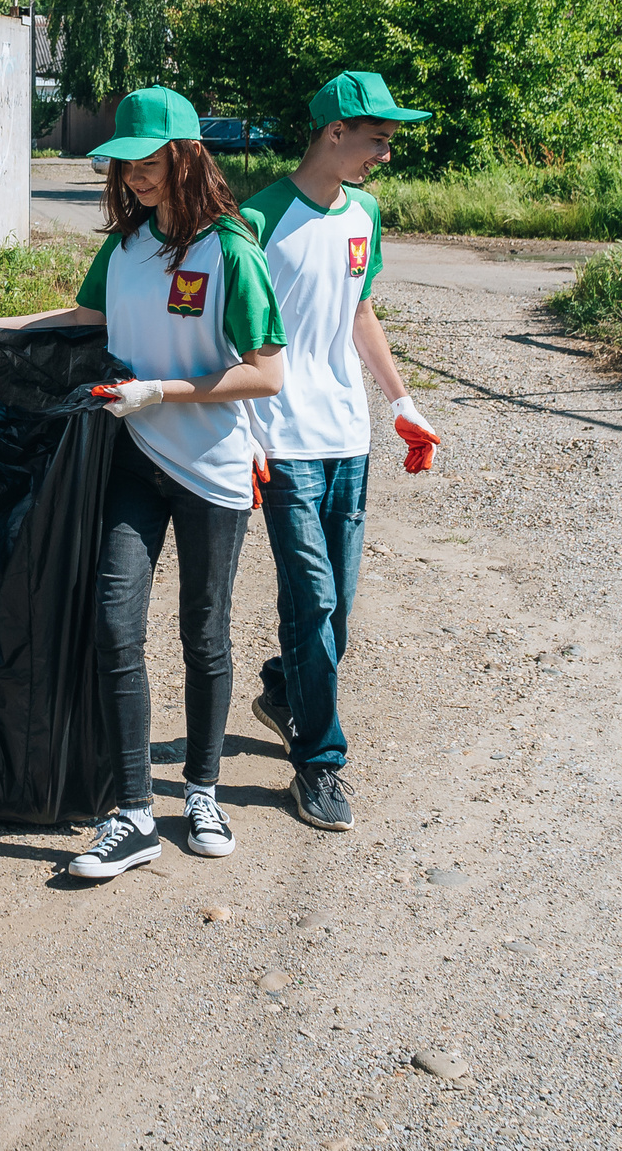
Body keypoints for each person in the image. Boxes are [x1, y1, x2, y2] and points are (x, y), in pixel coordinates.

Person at [0, 88, 286, 878]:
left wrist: (165, 391)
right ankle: (131, 813)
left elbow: (267, 373)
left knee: (205, 632)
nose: (136, 176)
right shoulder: (121, 249)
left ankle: (203, 789)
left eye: (149, 162)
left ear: (187, 157)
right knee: (115, 624)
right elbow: (83, 319)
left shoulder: (231, 251)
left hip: (211, 471)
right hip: (133, 463)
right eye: (126, 164)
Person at [238, 71, 443, 834]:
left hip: (347, 438)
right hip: (283, 440)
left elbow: (360, 310)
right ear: (334, 134)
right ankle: (320, 763)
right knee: (314, 602)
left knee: (337, 607)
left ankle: (284, 689)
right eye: (377, 140)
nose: (384, 156)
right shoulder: (258, 218)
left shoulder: (366, 214)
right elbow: (234, 329)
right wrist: (246, 433)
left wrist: (403, 401)